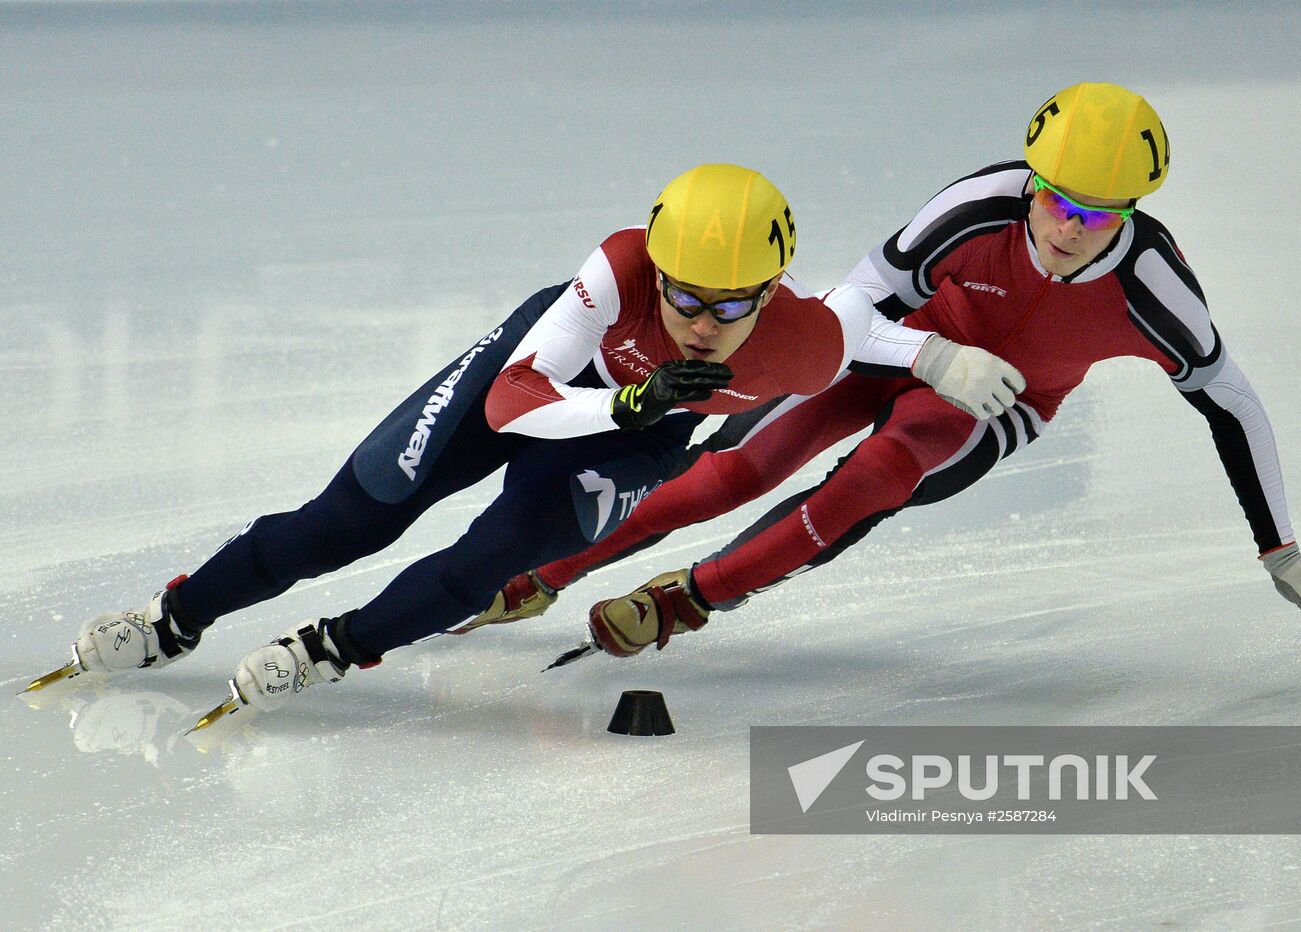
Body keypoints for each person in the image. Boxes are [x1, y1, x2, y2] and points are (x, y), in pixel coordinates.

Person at [466, 82, 1301, 659]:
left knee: (879, 473)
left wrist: (1280, 545)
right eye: (1056, 198)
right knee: (737, 470)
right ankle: (548, 567)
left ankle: (685, 602)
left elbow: (1232, 403)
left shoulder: (1156, 293)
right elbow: (844, 309)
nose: (1068, 226)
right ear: (1033, 177)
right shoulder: (977, 206)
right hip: (895, 344)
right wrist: (932, 351)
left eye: (1100, 217)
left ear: (1134, 212)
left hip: (998, 407)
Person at [34, 163, 945, 716]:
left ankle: (335, 648)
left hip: (638, 439)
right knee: (355, 513)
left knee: (495, 556)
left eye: (732, 304)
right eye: (684, 295)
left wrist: (940, 355)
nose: (703, 323)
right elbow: (515, 402)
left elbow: (865, 328)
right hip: (550, 382)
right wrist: (627, 400)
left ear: (776, 288)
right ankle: (173, 621)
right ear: (656, 272)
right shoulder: (621, 266)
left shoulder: (809, 344)